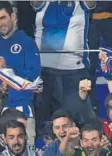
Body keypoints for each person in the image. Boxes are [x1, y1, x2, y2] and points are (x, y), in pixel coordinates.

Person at [31, 0, 95, 131]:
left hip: (74, 72)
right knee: (44, 126)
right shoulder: (42, 3)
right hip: (44, 73)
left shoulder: (81, 3)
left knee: (77, 123)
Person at [0, 1, 41, 145]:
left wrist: (7, 68)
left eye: (3, 18)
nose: (0, 23)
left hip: (21, 108)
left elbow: (34, 76)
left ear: (13, 16)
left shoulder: (27, 42)